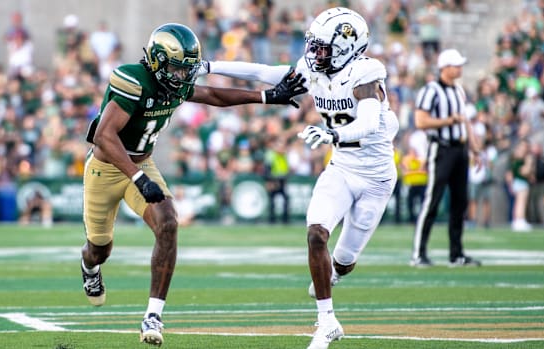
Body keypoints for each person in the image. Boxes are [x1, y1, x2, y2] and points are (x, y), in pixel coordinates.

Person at [79, 22, 306, 347]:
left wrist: (268, 96)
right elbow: (104, 135)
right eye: (176, 68)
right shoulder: (132, 78)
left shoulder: (175, 82)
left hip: (141, 162)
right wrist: (139, 178)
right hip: (106, 167)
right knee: (100, 249)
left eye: (186, 70)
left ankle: (153, 314)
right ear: (157, 61)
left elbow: (213, 94)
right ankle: (88, 266)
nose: (183, 77)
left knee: (169, 223)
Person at [201, 7, 399, 348]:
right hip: (341, 168)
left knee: (346, 260)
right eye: (314, 45)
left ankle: (335, 271)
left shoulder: (366, 74)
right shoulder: (315, 68)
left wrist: (333, 135)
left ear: (347, 46)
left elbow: (367, 123)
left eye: (323, 47)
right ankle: (327, 321)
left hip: (376, 179)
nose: (314, 53)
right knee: (316, 234)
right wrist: (210, 67)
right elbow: (264, 72)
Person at [410, 48, 482, 267]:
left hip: (460, 151)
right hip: (441, 149)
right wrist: (449, 121)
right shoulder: (431, 90)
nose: (460, 68)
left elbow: (465, 121)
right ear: (445, 67)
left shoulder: (459, 90)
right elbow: (421, 121)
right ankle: (419, 253)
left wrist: (474, 148)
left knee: (460, 203)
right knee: (432, 200)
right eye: (456, 65)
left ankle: (456, 254)